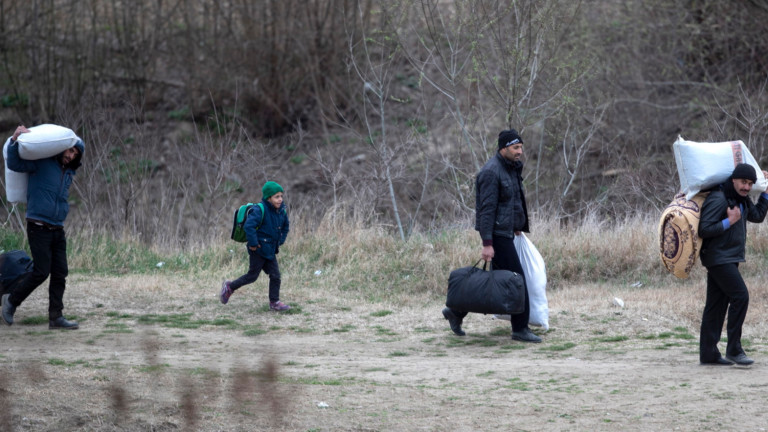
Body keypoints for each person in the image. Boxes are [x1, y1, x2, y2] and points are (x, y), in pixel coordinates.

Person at [442, 129, 541, 343]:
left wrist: (517, 225)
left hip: (506, 232)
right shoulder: (491, 172)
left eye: (521, 147)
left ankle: (456, 312)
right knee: (517, 280)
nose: (520, 152)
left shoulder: (510, 168)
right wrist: (487, 243)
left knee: (497, 283)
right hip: (496, 236)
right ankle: (520, 329)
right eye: (516, 148)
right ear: (503, 148)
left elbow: (511, 201)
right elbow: (486, 211)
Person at [2, 125, 84, 329]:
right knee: (41, 271)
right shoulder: (42, 163)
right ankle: (11, 301)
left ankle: (55, 317)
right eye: (70, 150)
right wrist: (14, 141)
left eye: (75, 153)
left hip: (57, 228)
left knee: (60, 272)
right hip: (38, 226)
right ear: (63, 148)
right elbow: (14, 163)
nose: (71, 155)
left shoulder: (69, 172)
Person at [697, 163, 768, 366]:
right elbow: (704, 229)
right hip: (718, 258)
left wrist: (765, 194)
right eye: (743, 182)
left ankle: (709, 354)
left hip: (728, 257)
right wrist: (729, 221)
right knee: (741, 296)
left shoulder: (741, 199)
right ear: (734, 180)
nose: (746, 187)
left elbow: (757, 216)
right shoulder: (719, 198)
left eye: (750, 183)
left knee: (716, 305)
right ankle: (734, 349)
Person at [220, 181, 291, 311]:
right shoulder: (260, 210)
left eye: (281, 196)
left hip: (270, 250)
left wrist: (281, 240)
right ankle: (229, 286)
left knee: (275, 276)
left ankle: (274, 302)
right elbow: (249, 226)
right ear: (268, 198)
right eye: (276, 197)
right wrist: (253, 244)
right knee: (252, 276)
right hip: (257, 249)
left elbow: (286, 226)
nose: (280, 199)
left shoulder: (281, 211)